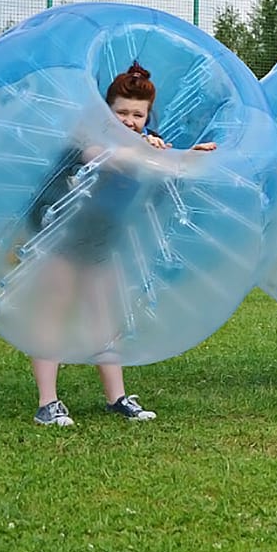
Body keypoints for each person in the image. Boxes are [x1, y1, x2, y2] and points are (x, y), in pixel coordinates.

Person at [28, 62, 217, 426]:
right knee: (52, 315)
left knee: (106, 319)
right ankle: (47, 403)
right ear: (107, 112)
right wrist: (160, 154)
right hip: (61, 238)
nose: (130, 120)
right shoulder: (89, 139)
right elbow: (111, 161)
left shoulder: (148, 144)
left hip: (103, 244)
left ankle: (117, 399)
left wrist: (189, 155)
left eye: (138, 114)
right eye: (122, 112)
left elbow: (166, 178)